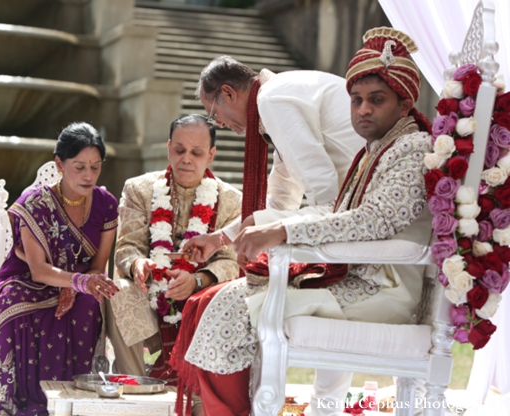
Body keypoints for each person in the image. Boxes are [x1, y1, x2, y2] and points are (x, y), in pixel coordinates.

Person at [171, 27, 434, 416]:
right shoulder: (373, 147)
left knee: (227, 305)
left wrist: (284, 231)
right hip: (357, 259)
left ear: (403, 101)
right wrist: (226, 237)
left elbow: (337, 203)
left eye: (376, 100)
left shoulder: (405, 146)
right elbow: (285, 195)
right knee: (228, 301)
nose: (362, 110)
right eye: (356, 100)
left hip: (377, 274)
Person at [104, 114, 242, 414]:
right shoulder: (138, 189)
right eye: (179, 150)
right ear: (168, 149)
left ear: (212, 154)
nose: (187, 160)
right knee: (120, 290)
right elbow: (126, 247)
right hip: (150, 298)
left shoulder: (232, 201)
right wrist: (138, 264)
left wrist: (199, 281)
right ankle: (136, 392)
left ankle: (196, 395)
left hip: (199, 307)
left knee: (222, 298)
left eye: (197, 152)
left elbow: (231, 264)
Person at [0, 122, 120, 415]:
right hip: (28, 281)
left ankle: (76, 402)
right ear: (59, 164)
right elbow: (36, 269)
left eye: (95, 167)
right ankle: (22, 402)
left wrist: (75, 286)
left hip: (80, 282)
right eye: (79, 166)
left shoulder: (106, 204)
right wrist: (74, 282)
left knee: (87, 304)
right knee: (15, 303)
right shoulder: (35, 203)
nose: (88, 176)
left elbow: (98, 265)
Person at [184, 55, 365, 257]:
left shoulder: (272, 99)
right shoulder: (278, 94)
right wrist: (218, 239)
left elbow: (326, 200)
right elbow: (282, 199)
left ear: (228, 93)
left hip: (369, 211)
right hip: (358, 203)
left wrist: (269, 228)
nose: (219, 124)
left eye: (213, 114)